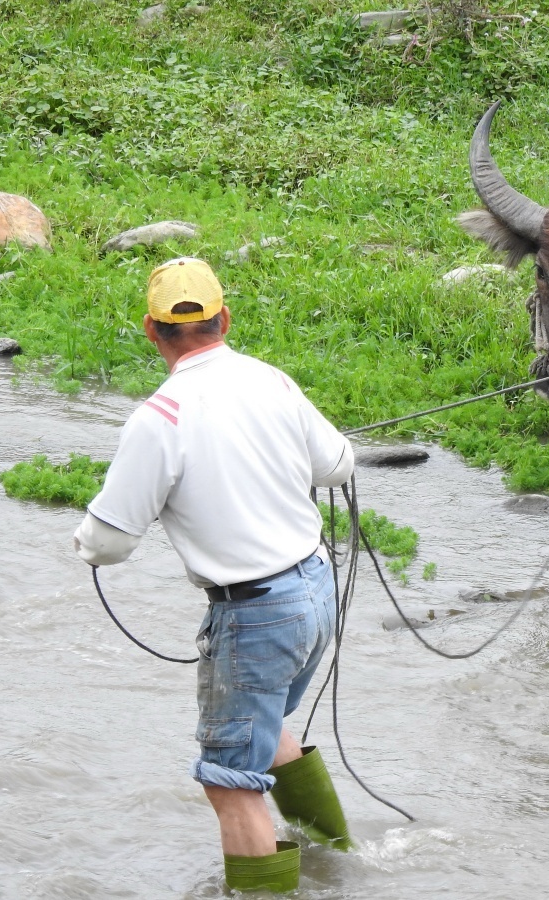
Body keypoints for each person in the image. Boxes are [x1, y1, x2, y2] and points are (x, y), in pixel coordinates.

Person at [73, 257, 355, 892]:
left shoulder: (158, 419)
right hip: (315, 588)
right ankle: (341, 862)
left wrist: (84, 540)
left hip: (255, 614)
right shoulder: (271, 381)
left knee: (228, 784)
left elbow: (110, 545)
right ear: (224, 319)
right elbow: (338, 464)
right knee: (269, 726)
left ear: (152, 331)